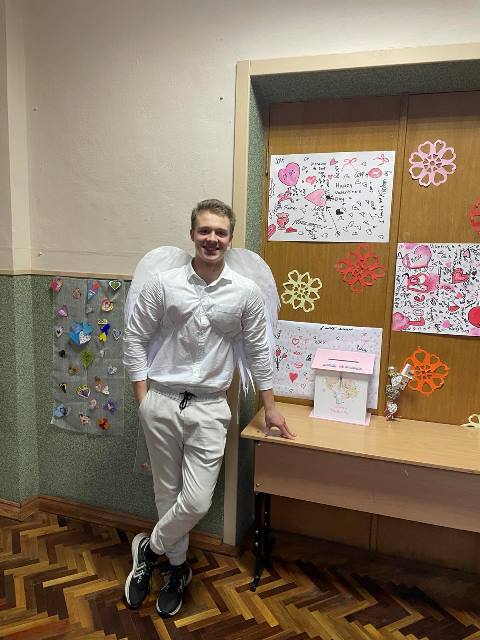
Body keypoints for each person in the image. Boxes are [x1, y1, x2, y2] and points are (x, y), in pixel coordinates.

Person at [123, 198, 295, 618]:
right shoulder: (163, 283)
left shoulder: (246, 292)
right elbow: (135, 338)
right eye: (205, 230)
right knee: (167, 495)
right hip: (161, 401)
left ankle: (150, 548)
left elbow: (259, 351)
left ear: (230, 239)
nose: (212, 239)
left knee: (197, 501)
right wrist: (143, 400)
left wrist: (270, 407)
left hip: (211, 408)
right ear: (192, 234)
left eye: (220, 232)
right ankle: (177, 570)